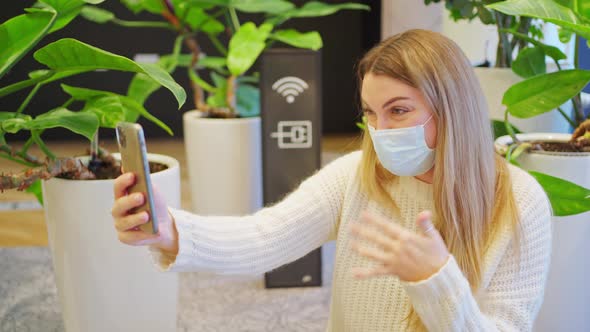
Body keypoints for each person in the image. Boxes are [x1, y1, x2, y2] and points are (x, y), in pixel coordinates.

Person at [111, 29, 552, 331]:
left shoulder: (518, 201)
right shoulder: (359, 176)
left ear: (453, 110)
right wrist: (172, 232)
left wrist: (437, 280)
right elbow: (264, 236)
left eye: (399, 110)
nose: (381, 130)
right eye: (371, 113)